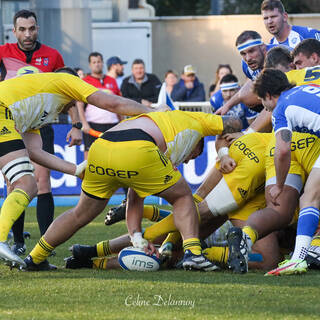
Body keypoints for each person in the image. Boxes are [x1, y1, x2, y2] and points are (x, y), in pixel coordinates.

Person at [23, 111, 242, 271]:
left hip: (101, 146)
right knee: (183, 196)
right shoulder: (198, 123)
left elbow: (135, 195)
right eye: (191, 156)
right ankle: (193, 254)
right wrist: (226, 144)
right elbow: (232, 122)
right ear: (197, 146)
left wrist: (136, 238)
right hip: (138, 147)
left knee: (79, 213)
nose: (186, 161)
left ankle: (35, 258)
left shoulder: (160, 120)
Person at [0, 69, 165, 268]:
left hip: (6, 116)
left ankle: (29, 255)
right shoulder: (67, 80)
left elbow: (34, 151)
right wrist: (156, 114)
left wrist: (76, 170)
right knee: (26, 185)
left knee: (25, 185)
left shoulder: (36, 110)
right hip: (2, 112)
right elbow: (112, 103)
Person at [228, 69, 320, 275]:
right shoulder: (307, 88)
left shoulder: (280, 109)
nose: (265, 107)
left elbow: (283, 150)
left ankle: (298, 259)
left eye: (262, 101)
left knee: (310, 198)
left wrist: (279, 185)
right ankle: (298, 258)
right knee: (311, 196)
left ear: (269, 95)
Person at [0, 10, 65, 256]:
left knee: (43, 181)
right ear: (14, 31)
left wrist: (78, 125)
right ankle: (17, 241)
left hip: (40, 126)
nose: (28, 34)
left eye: (32, 29)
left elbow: (67, 87)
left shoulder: (52, 55)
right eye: (23, 29)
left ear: (38, 29)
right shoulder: (3, 52)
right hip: (10, 124)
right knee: (14, 184)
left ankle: (46, 244)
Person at [77, 52, 122, 159]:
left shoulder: (112, 81)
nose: (97, 64)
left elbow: (120, 102)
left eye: (99, 62)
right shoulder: (85, 81)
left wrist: (122, 122)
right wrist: (84, 123)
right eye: (94, 62)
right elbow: (79, 104)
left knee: (113, 157)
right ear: (90, 65)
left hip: (113, 124)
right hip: (93, 125)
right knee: (90, 158)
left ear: (102, 63)